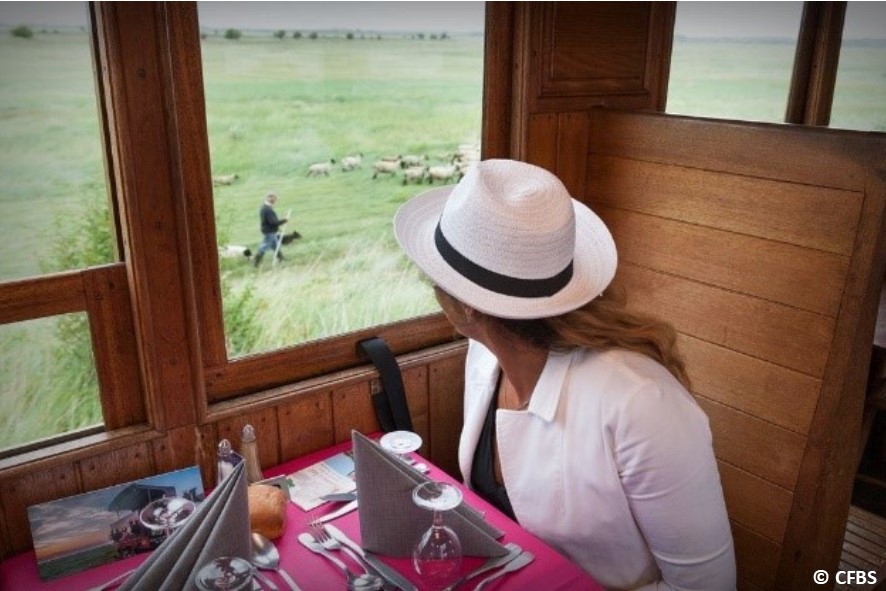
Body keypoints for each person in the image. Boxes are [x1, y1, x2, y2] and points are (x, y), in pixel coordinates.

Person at [393, 159, 736, 590]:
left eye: (436, 280)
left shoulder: (643, 404)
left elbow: (708, 586)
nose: (433, 288)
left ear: (467, 307)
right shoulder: (484, 353)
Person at [254, 192, 287, 267]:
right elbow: (273, 222)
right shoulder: (267, 209)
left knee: (275, 245)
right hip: (269, 231)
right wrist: (284, 221)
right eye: (274, 199)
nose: (275, 200)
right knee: (265, 246)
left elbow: (270, 221)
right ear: (270, 198)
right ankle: (256, 261)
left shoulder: (265, 207)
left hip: (269, 230)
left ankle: (281, 258)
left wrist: (277, 228)